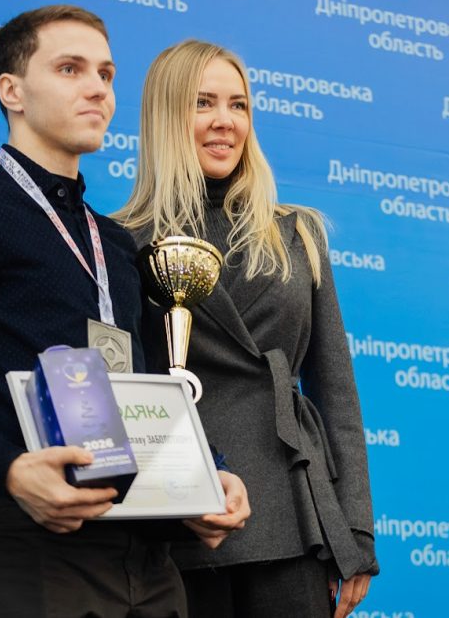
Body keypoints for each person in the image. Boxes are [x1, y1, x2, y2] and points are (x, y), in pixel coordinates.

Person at [0, 6, 250, 618]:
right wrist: (10, 470)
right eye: (71, 69)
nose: (98, 88)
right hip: (22, 541)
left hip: (146, 557)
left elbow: (147, 387)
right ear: (12, 91)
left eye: (106, 74)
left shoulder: (116, 243)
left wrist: (209, 476)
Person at [113, 40, 378, 618]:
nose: (225, 121)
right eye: (202, 102)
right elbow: (122, 394)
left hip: (291, 505)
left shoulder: (298, 233)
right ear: (164, 115)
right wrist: (176, 492)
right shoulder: (119, 241)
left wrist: (355, 530)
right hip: (182, 514)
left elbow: (335, 390)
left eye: (239, 105)